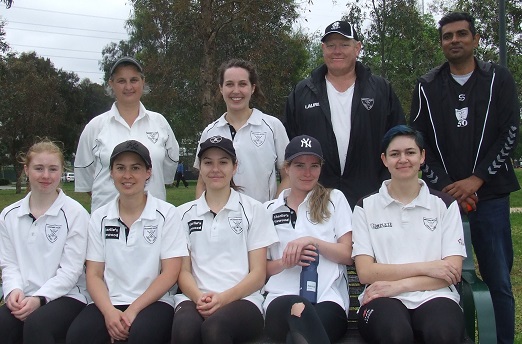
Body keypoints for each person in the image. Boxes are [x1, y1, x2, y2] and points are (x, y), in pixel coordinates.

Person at [409, 12, 520, 343]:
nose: (454, 40)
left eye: (461, 34)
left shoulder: (499, 78)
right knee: (446, 278)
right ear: (441, 43)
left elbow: (510, 132)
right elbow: (417, 141)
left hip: (492, 196)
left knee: (497, 279)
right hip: (441, 201)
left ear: (475, 39)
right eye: (447, 36)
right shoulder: (426, 85)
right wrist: (446, 187)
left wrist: (477, 179)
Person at [352, 125, 466, 343]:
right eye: (395, 154)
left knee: (443, 333)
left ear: (422, 156)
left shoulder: (445, 205)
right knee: (395, 335)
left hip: (436, 295)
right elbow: (366, 272)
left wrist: (398, 285)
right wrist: (428, 267)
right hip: (382, 298)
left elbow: (452, 273)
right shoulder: (365, 207)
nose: (403, 159)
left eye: (410, 152)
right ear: (384, 160)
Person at [66, 140, 187, 344]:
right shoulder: (99, 217)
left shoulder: (167, 214)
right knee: (78, 336)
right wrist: (109, 313)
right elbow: (94, 274)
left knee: (140, 335)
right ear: (111, 173)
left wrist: (133, 310)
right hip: (109, 301)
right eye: (120, 168)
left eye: (136, 168)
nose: (127, 175)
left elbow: (170, 273)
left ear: (148, 172)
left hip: (155, 302)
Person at [285, 20, 405, 209]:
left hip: (372, 199)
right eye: (331, 45)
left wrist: (386, 184)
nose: (337, 51)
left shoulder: (381, 90)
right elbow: (290, 144)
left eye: (344, 44)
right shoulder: (302, 92)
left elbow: (399, 140)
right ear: (323, 49)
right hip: (317, 199)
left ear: (357, 48)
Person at [171, 136, 278, 344]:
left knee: (215, 328)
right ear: (199, 168)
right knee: (184, 331)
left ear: (235, 166)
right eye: (208, 162)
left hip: (244, 300)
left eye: (223, 162)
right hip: (194, 298)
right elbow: (183, 271)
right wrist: (199, 298)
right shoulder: (182, 214)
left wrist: (223, 299)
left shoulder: (254, 210)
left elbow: (258, 274)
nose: (215, 169)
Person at [263, 135, 353, 343]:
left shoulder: (334, 199)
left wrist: (312, 241)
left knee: (298, 336)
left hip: (327, 299)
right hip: (280, 299)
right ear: (287, 168)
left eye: (314, 166)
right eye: (299, 165)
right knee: (299, 319)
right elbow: (261, 269)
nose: (307, 173)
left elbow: (348, 255)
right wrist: (284, 263)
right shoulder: (268, 209)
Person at [0, 139, 90, 344]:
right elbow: (9, 264)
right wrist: (13, 291)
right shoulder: (9, 215)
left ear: (61, 171)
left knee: (38, 325)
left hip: (68, 295)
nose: (46, 176)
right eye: (39, 168)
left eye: (53, 169)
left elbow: (70, 271)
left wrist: (40, 299)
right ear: (26, 170)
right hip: (24, 295)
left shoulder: (75, 213)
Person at [75, 56, 179, 211]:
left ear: (143, 82)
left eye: (134, 80)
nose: (128, 86)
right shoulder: (95, 127)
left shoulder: (160, 123)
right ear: (111, 84)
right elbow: (87, 180)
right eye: (121, 81)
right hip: (108, 224)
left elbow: (166, 172)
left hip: (154, 221)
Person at [194, 58, 289, 203]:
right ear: (221, 88)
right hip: (220, 220)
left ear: (252, 88)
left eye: (243, 84)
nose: (236, 91)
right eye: (229, 84)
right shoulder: (210, 131)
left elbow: (288, 176)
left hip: (262, 220)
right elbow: (202, 182)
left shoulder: (273, 126)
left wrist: (273, 210)